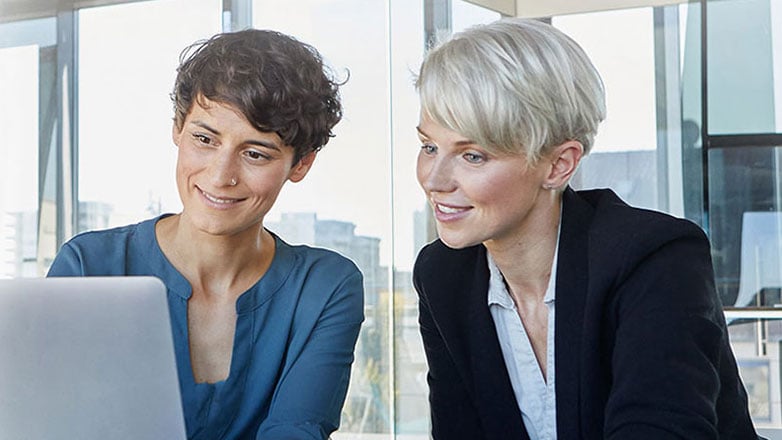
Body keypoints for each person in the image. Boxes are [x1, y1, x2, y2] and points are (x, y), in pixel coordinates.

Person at [412, 18, 760, 439]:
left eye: (472, 156)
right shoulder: (442, 273)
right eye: (429, 147)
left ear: (559, 165)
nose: (434, 179)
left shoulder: (654, 257)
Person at [48, 29, 364, 439]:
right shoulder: (88, 267)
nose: (220, 176)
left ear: (300, 164)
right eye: (204, 139)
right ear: (178, 129)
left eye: (255, 153)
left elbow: (296, 430)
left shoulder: (325, 287)